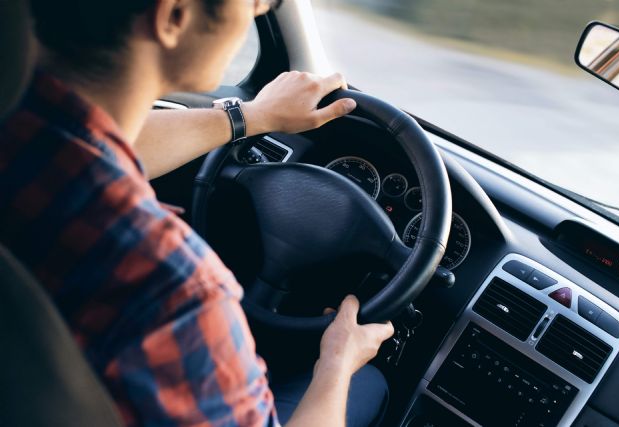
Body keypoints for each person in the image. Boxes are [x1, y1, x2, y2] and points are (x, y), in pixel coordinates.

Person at [0, 0, 395, 426]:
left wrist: (254, 116)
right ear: (174, 16)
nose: (260, 9)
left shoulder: (22, 130)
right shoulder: (173, 291)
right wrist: (337, 361)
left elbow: (98, 143)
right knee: (367, 383)